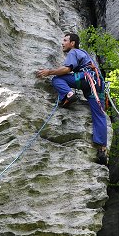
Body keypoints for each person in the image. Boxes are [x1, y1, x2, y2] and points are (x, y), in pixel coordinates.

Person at [36, 32, 108, 165]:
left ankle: (68, 95)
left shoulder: (74, 52)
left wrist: (49, 72)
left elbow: (67, 69)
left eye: (65, 40)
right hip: (98, 84)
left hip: (86, 78)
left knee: (57, 79)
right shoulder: (85, 53)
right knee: (99, 114)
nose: (62, 43)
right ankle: (102, 149)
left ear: (72, 43)